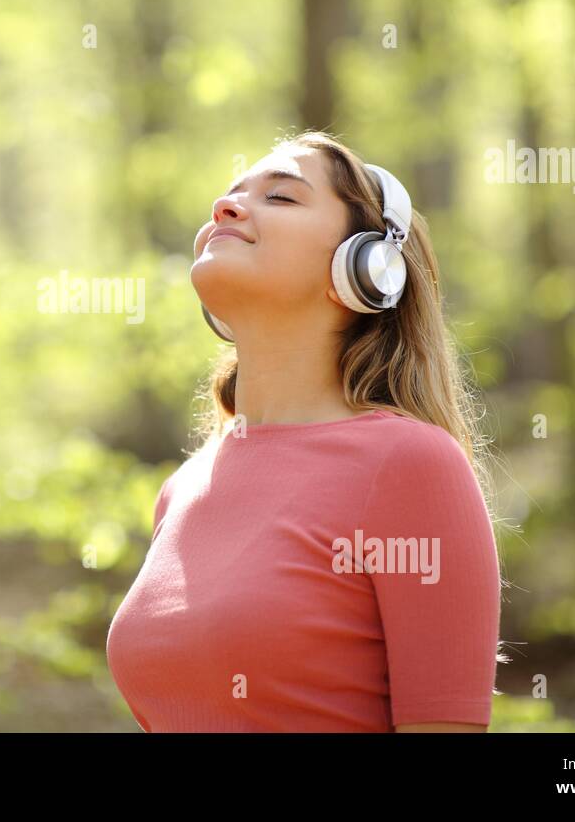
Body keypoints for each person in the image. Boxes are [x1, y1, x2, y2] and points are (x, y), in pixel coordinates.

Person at [106, 130, 505, 732]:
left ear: (365, 269)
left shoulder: (410, 464)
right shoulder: (183, 487)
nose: (227, 206)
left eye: (282, 198)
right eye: (232, 194)